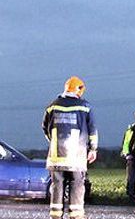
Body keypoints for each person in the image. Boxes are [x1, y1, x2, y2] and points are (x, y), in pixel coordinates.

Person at [42, 76, 98, 219]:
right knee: (77, 185)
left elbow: (45, 128)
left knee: (57, 186)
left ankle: (55, 215)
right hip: (76, 157)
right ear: (79, 89)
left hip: (56, 157)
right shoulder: (85, 107)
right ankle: (76, 215)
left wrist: (53, 142)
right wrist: (93, 149)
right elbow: (92, 131)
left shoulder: (52, 106)